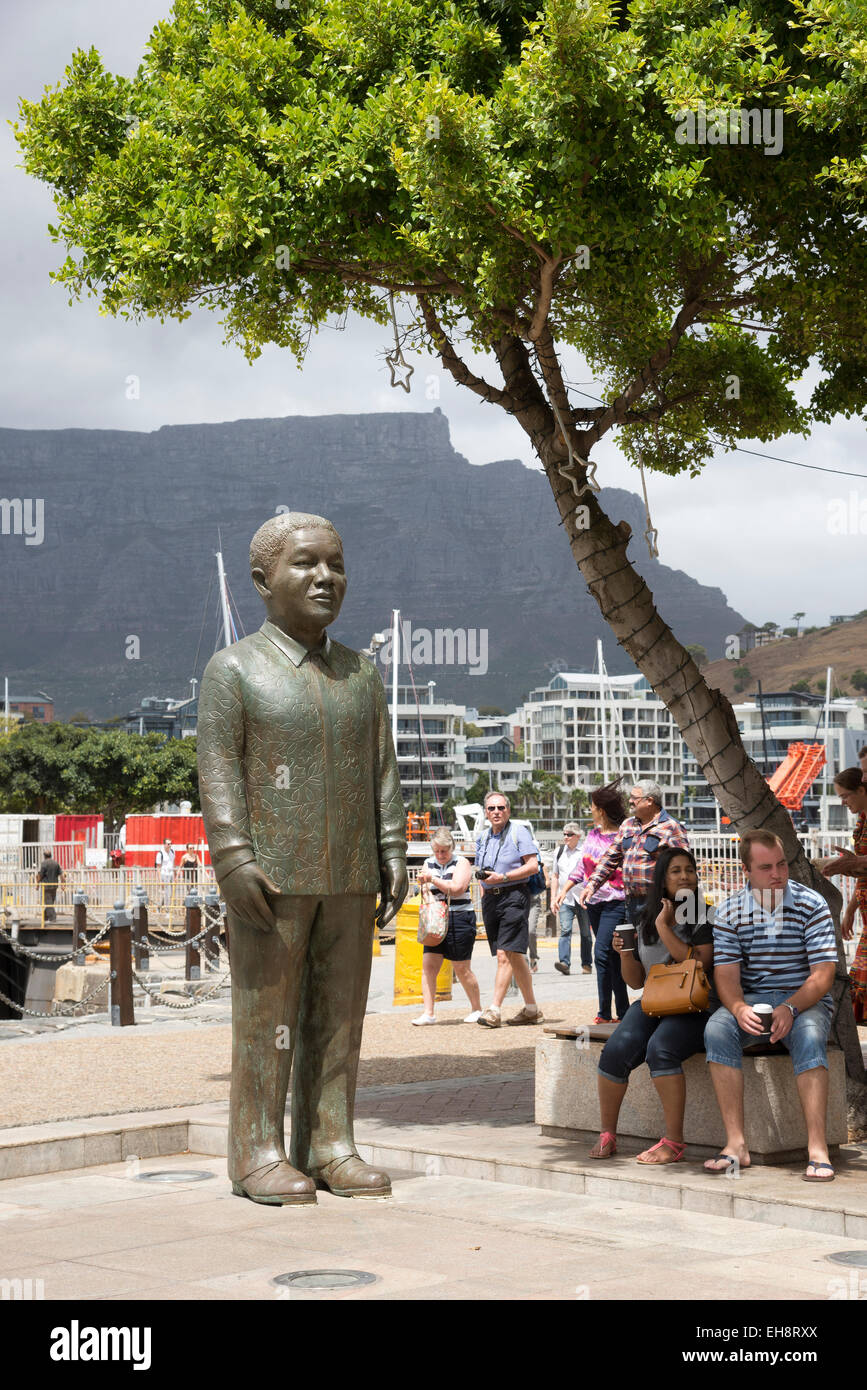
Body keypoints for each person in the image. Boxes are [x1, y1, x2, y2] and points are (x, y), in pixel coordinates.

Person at [198, 510, 407, 1204]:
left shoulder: (361, 673)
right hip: (271, 878)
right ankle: (256, 1151)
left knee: (340, 1018)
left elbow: (382, 768)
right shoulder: (233, 670)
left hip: (350, 874)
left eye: (336, 565)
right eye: (306, 563)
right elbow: (219, 773)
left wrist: (391, 845)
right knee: (268, 1020)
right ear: (264, 580)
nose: (326, 578)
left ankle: (329, 1143)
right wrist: (233, 858)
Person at [703, 829, 838, 1181]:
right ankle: (736, 1145)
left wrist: (790, 1008)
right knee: (717, 1029)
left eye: (781, 864)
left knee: (810, 1036)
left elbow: (823, 974)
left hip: (805, 1000)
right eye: (766, 867)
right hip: (754, 1000)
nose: (777, 874)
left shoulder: (812, 904)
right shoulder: (730, 910)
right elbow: (726, 976)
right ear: (746, 870)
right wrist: (737, 1009)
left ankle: (817, 1148)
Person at [589, 848, 715, 1164]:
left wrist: (663, 927)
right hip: (656, 1000)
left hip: (696, 1005)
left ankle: (673, 1142)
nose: (685, 876)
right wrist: (625, 954)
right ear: (662, 878)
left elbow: (698, 963)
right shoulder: (644, 916)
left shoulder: (704, 914)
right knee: (616, 1049)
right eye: (676, 871)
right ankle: (607, 1133)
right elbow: (635, 982)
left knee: (661, 1048)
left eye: (689, 870)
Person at [557, 782, 630, 1023]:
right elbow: (582, 868)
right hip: (594, 904)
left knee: (601, 953)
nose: (590, 810)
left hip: (616, 902)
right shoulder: (593, 835)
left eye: (592, 806)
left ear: (601, 810)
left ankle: (603, 1013)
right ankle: (622, 1012)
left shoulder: (622, 836)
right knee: (612, 957)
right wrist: (563, 890)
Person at [579, 781, 689, 930]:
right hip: (631, 904)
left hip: (659, 904)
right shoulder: (627, 825)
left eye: (634, 798)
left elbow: (684, 869)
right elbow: (610, 858)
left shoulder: (671, 827)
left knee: (657, 944)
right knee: (634, 944)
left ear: (649, 801)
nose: (630, 801)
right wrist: (592, 885)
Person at [475, 790, 543, 1028]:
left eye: (501, 807)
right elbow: (481, 871)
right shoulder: (483, 837)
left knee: (505, 954)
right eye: (491, 808)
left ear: (508, 810)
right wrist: (485, 891)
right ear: (486, 812)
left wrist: (504, 877)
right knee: (514, 955)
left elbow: (533, 866)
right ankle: (532, 1009)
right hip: (491, 899)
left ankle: (494, 1010)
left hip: (514, 895)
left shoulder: (518, 832)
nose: (496, 812)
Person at [413, 828, 482, 1024]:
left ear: (451, 848)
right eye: (436, 851)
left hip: (459, 917)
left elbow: (457, 888)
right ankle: (428, 1012)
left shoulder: (462, 862)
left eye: (444, 851)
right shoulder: (428, 863)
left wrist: (433, 879)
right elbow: (423, 888)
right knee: (429, 966)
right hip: (435, 918)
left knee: (461, 967)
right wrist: (425, 888)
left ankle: (476, 1008)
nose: (440, 855)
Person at [834, 769, 867, 1024]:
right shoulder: (862, 821)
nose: (843, 802)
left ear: (862, 790)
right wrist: (850, 909)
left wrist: (853, 864)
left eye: (846, 796)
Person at [550, 823, 592, 976]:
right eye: (564, 834)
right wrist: (553, 898)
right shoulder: (559, 852)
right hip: (564, 898)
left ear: (578, 836)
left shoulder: (585, 851)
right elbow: (555, 876)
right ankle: (564, 963)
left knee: (586, 933)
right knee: (565, 930)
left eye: (569, 834)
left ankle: (586, 964)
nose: (566, 837)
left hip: (583, 898)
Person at [35, 849, 63, 923]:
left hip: (46, 886)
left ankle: (53, 918)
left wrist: (37, 884)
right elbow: (61, 875)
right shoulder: (56, 863)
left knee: (48, 903)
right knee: (50, 902)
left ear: (44, 856)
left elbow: (40, 875)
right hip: (54, 886)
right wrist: (63, 885)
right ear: (51, 855)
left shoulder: (44, 863)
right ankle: (45, 917)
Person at [155, 839, 175, 912]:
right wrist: (160, 880)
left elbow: (173, 864)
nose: (170, 845)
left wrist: (174, 875)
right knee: (166, 893)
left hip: (171, 874)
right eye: (168, 844)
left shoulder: (172, 852)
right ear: (164, 844)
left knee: (170, 893)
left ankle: (160, 906)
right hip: (164, 874)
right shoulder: (160, 853)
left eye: (170, 843)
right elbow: (158, 867)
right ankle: (167, 910)